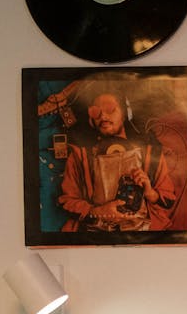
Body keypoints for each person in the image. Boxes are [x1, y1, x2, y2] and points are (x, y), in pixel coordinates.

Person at [58, 89, 177, 232]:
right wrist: (97, 212)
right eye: (96, 112)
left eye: (110, 109)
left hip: (143, 231)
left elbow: (168, 198)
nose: (103, 116)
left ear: (125, 113)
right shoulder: (80, 154)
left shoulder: (150, 150)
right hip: (94, 233)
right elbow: (67, 201)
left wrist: (150, 193)